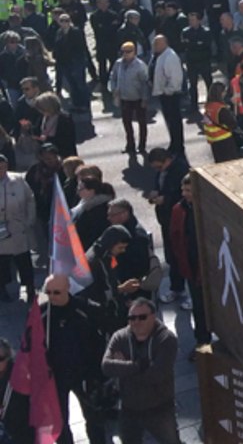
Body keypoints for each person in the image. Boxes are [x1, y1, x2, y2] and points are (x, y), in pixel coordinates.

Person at [102, 298, 181, 444]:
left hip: (160, 408)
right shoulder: (120, 336)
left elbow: (156, 376)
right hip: (129, 408)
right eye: (132, 318)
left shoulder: (166, 339)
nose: (136, 322)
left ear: (153, 316)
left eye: (142, 317)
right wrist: (140, 365)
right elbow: (106, 366)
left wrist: (123, 368)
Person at [43, 274, 110, 444]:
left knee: (94, 417)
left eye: (56, 292)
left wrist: (98, 370)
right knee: (59, 422)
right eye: (48, 292)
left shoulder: (86, 309)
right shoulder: (42, 315)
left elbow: (104, 335)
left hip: (85, 373)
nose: (52, 297)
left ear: (67, 289)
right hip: (56, 376)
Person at [146, 147, 189, 306]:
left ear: (167, 160)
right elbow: (160, 183)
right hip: (166, 219)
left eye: (159, 167)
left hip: (178, 220)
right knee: (172, 256)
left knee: (182, 255)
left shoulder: (180, 170)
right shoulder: (163, 171)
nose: (158, 170)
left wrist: (165, 199)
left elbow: (183, 195)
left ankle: (186, 291)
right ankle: (177, 288)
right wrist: (155, 192)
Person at [0, 155, 36, 303]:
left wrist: (29, 220)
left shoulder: (18, 179)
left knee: (24, 260)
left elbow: (30, 199)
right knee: (2, 262)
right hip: (1, 230)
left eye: (3, 167)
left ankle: (30, 287)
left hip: (19, 227)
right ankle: (3, 289)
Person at [109, 40, 150, 156]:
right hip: (124, 98)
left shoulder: (140, 66)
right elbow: (113, 77)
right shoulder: (118, 64)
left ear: (134, 52)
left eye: (128, 51)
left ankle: (142, 146)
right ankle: (130, 145)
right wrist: (114, 89)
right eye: (124, 52)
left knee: (142, 123)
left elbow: (145, 83)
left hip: (138, 98)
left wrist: (144, 98)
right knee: (127, 123)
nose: (126, 54)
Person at [149, 35, 185, 154]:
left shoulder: (170, 57)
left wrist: (168, 91)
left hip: (171, 95)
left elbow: (175, 77)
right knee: (169, 121)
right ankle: (174, 143)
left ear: (164, 43)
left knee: (174, 121)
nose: (154, 46)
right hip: (163, 94)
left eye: (157, 44)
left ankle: (178, 146)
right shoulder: (158, 55)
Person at [201, 81, 239, 163]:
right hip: (225, 140)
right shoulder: (221, 109)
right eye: (224, 92)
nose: (225, 94)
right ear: (220, 93)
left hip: (214, 141)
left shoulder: (208, 107)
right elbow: (233, 124)